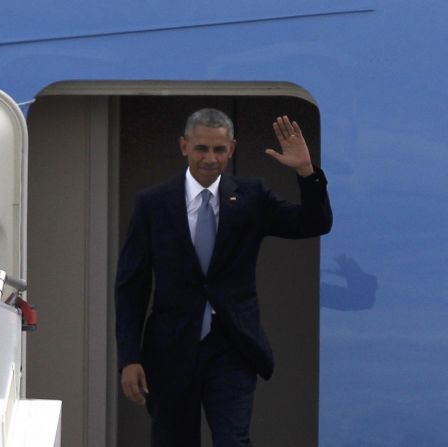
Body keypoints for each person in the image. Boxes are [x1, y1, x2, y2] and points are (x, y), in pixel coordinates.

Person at [115, 108, 332, 446]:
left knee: (233, 440)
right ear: (184, 146)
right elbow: (131, 287)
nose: (210, 158)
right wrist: (129, 357)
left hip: (233, 346)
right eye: (202, 148)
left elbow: (313, 223)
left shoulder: (252, 196)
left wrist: (306, 171)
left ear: (232, 149)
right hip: (170, 350)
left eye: (219, 149)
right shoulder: (152, 204)